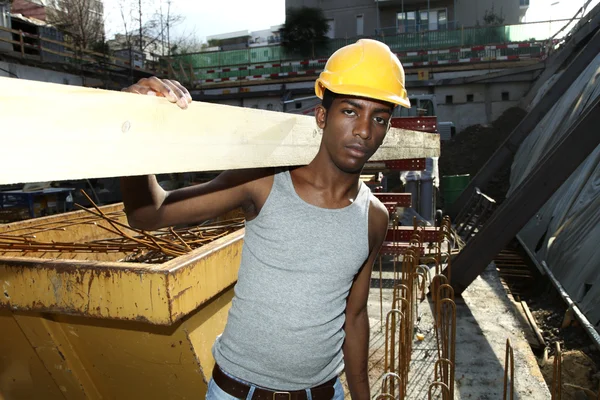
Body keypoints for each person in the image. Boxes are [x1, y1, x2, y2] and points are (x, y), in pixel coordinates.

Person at [120, 38, 410, 400]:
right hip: (240, 393)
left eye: (379, 118)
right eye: (350, 111)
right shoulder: (264, 182)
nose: (365, 130)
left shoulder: (374, 218)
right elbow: (148, 214)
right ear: (322, 116)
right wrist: (134, 124)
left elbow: (354, 316)